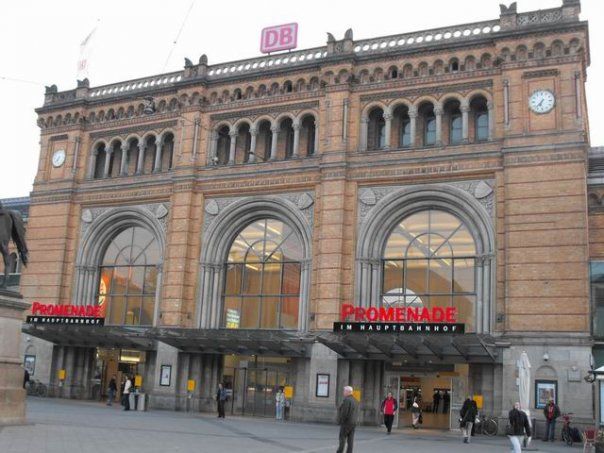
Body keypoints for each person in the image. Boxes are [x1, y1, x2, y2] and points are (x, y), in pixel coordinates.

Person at [337, 386, 359, 453]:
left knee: (342, 438)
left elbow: (344, 412)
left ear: (348, 392)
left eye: (344, 391)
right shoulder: (355, 400)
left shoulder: (347, 400)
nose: (343, 392)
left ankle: (339, 451)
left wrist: (341, 421)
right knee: (350, 439)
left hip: (346, 423)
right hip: (353, 422)